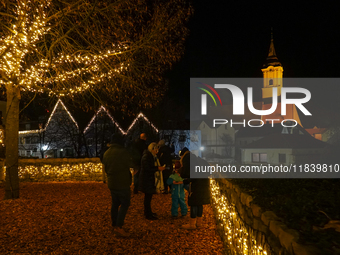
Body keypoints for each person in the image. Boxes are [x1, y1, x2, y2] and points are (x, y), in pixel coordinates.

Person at [101, 134, 133, 237]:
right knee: (125, 203)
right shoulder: (123, 152)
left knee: (115, 204)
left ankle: (114, 224)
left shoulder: (106, 153)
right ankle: (119, 227)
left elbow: (106, 168)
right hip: (122, 183)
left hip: (112, 183)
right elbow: (130, 163)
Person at [178, 147, 210, 229]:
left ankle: (192, 224)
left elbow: (189, 174)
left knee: (194, 203)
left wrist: (182, 178)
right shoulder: (195, 158)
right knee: (199, 203)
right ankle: (199, 223)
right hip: (204, 182)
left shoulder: (187, 159)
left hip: (196, 183)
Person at [138, 142, 165, 220]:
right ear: (152, 149)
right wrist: (157, 168)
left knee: (148, 197)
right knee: (148, 197)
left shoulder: (149, 156)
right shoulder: (147, 156)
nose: (157, 152)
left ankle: (148, 212)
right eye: (156, 150)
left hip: (148, 179)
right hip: (147, 179)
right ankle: (148, 214)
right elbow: (147, 168)